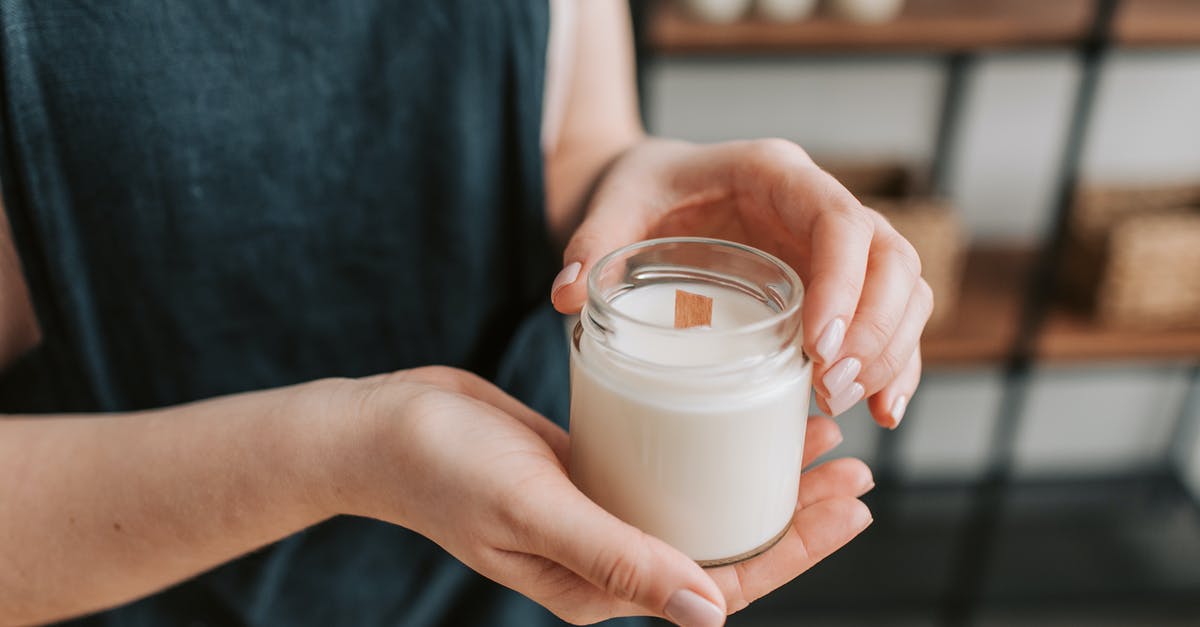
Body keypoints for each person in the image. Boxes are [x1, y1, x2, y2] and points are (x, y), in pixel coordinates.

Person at [0, 1, 931, 625]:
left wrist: (637, 187)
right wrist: (351, 449)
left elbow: (572, 136)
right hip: (129, 580)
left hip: (539, 549)